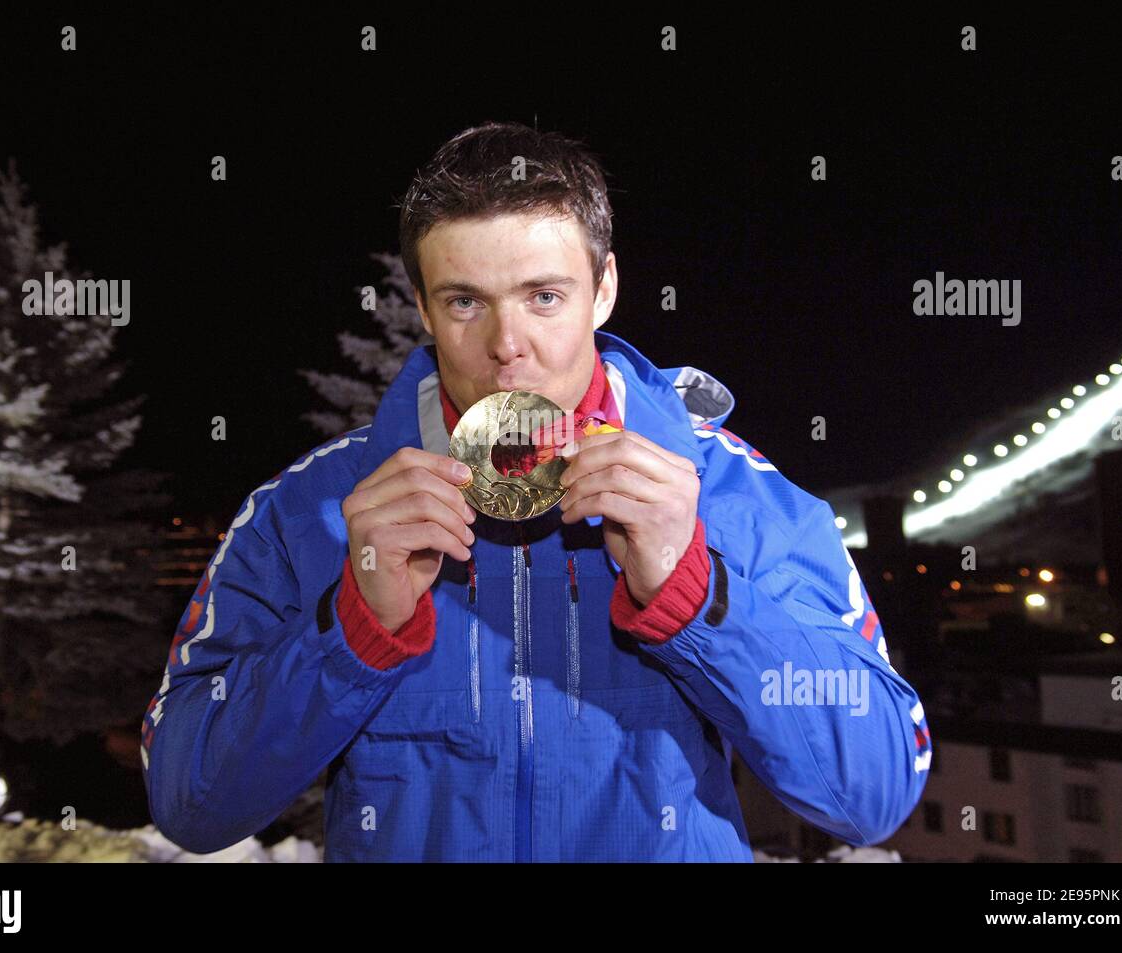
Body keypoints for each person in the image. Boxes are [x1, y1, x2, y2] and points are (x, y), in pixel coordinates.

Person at [141, 122, 932, 861]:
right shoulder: (311, 510)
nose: (506, 347)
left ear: (604, 289)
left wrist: (695, 593)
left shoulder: (729, 491)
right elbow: (189, 800)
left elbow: (875, 792)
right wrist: (352, 625)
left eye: (543, 296)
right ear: (421, 308)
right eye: (464, 302)